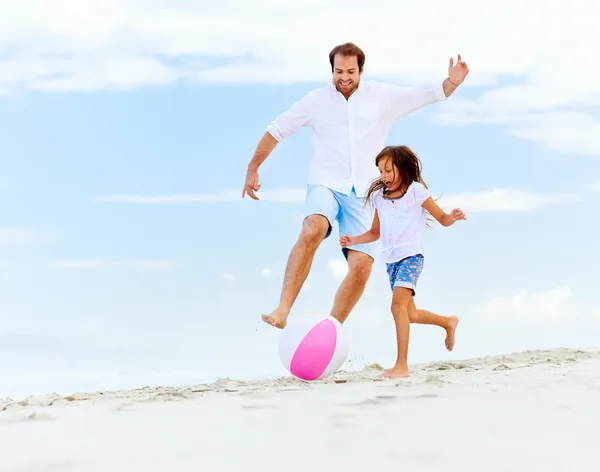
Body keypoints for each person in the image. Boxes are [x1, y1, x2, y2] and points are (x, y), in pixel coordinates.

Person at [242, 42, 469, 329]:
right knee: (313, 227)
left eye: (350, 71)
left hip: (363, 193)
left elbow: (423, 94)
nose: (344, 77)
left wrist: (451, 82)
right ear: (332, 70)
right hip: (326, 183)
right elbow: (277, 129)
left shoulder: (382, 96)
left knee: (362, 268)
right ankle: (284, 308)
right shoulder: (315, 101)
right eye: (338, 71)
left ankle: (329, 330)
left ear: (361, 70)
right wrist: (254, 167)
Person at [339, 145, 466, 378]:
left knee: (396, 306)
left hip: (412, 256)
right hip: (391, 260)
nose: (384, 176)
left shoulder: (416, 192)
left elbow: (442, 219)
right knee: (410, 314)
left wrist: (452, 217)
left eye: (389, 170)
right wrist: (354, 239)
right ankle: (448, 322)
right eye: (380, 171)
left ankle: (401, 365)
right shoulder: (379, 198)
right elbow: (375, 233)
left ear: (403, 168)